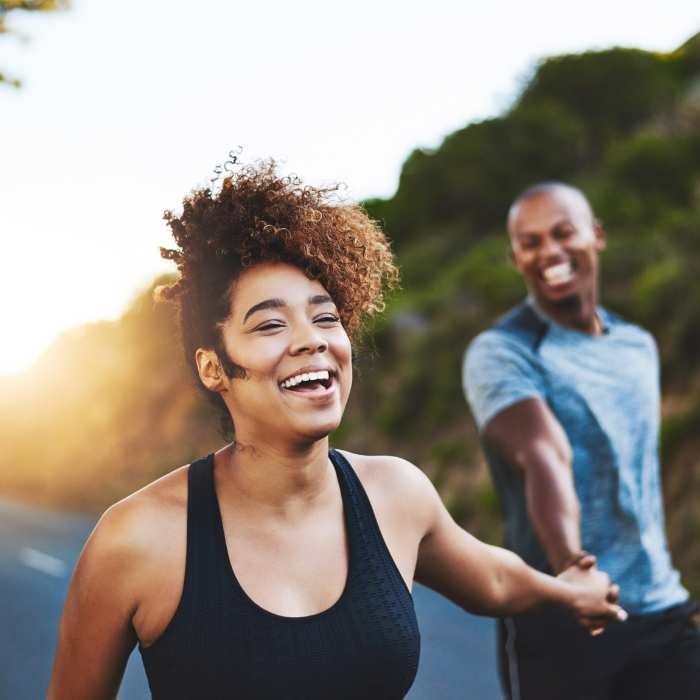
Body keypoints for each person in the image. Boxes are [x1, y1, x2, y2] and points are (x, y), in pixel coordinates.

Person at [48, 164, 624, 700]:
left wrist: (570, 592)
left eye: (326, 317)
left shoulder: (396, 494)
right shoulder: (138, 538)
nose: (311, 339)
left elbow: (494, 579)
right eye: (270, 324)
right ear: (213, 367)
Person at [463, 181, 700, 700]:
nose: (549, 251)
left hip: (661, 609)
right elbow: (543, 453)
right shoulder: (501, 352)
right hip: (562, 616)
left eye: (562, 233)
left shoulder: (638, 347)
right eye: (530, 242)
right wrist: (572, 567)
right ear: (515, 258)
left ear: (595, 236)